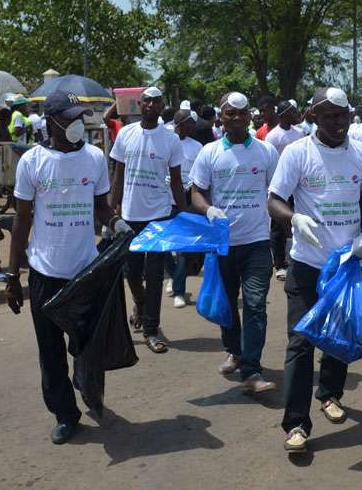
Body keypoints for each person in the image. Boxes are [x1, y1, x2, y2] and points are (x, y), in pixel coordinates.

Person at [4, 90, 131, 445]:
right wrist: (13, 276)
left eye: (80, 118)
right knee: (50, 350)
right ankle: (65, 414)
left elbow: (101, 208)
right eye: (70, 118)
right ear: (51, 122)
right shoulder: (31, 162)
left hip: (84, 271)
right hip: (45, 271)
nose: (77, 124)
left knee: (86, 344)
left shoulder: (93, 159)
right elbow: (22, 221)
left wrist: (116, 222)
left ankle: (86, 381)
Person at [268, 87, 362, 454]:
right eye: (330, 115)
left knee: (339, 336)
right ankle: (297, 423)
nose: (339, 122)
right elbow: (273, 200)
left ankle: (331, 394)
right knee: (301, 342)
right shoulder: (296, 153)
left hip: (348, 265)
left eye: (343, 114)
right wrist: (294, 218)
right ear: (312, 115)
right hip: (307, 264)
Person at [190, 91, 279, 393]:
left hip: (256, 241)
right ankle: (235, 351)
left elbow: (277, 193)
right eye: (230, 113)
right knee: (227, 302)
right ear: (221, 116)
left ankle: (252, 370)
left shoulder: (266, 152)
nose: (237, 118)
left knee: (255, 304)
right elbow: (197, 192)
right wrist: (208, 209)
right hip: (222, 243)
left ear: (250, 116)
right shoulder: (210, 152)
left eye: (242, 113)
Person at [109, 86, 186, 354]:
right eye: (148, 101)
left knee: (154, 275)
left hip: (159, 216)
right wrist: (111, 213)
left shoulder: (171, 140)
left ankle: (152, 330)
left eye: (157, 101)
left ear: (162, 105)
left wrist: (183, 214)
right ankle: (139, 302)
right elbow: (118, 174)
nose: (152, 105)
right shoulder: (126, 134)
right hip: (130, 216)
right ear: (139, 104)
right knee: (131, 271)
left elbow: (176, 181)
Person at [164, 108, 202, 308]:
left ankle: (179, 291)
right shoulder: (166, 140)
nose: (194, 127)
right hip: (163, 200)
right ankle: (172, 273)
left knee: (183, 249)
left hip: (185, 201)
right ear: (180, 124)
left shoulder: (197, 147)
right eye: (191, 123)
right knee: (164, 247)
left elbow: (200, 175)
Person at [265, 100, 305, 281]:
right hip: (281, 185)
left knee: (299, 221)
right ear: (283, 114)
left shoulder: (300, 132)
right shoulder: (273, 137)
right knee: (279, 225)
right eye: (293, 111)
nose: (297, 114)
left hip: (300, 186)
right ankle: (279, 264)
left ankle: (296, 258)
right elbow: (270, 162)